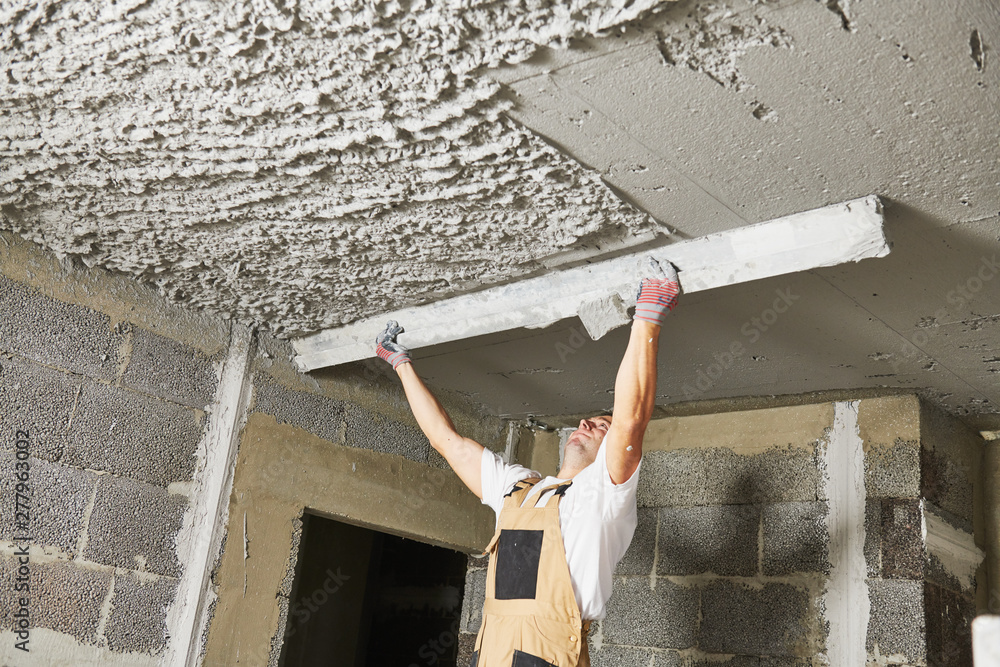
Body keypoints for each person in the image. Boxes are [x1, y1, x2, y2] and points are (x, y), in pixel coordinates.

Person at [375, 258, 680, 667]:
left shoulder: (603, 496)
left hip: (546, 656)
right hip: (494, 652)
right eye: (587, 419)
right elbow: (447, 442)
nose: (587, 422)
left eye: (601, 424)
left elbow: (632, 417)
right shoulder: (517, 489)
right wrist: (400, 364)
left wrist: (649, 316)